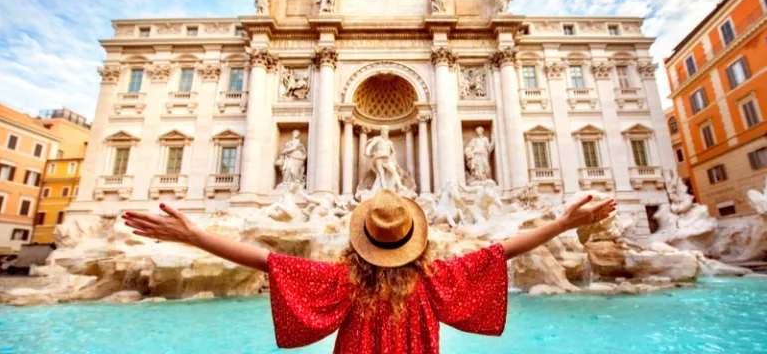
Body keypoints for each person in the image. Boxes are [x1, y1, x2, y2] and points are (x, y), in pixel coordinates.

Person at [123, 190, 615, 354]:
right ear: (414, 240)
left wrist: (194, 235)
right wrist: (561, 223)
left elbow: (263, 260)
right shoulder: (435, 278)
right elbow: (502, 251)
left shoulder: (342, 281)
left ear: (362, 240)